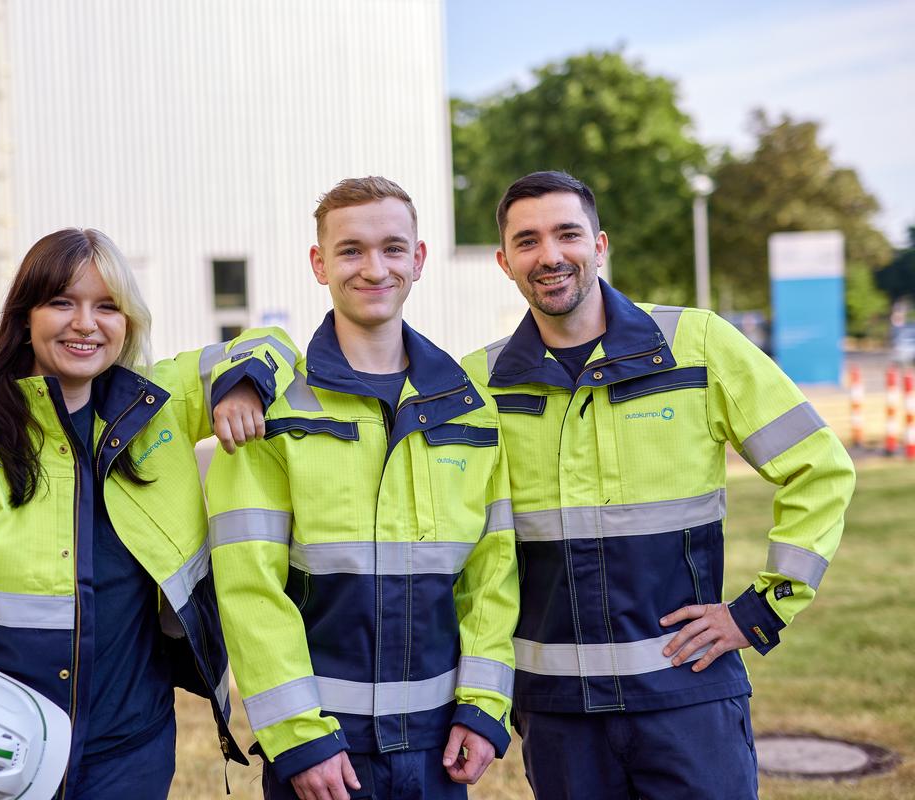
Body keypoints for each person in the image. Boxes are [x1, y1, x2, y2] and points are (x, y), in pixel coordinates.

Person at [0, 228, 298, 800]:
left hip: (130, 750)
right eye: (62, 302)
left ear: (128, 321)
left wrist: (244, 385)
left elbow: (272, 343)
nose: (86, 323)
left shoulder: (159, 406)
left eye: (107, 306)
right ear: (24, 315)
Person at [461, 171, 856, 799]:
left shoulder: (695, 345)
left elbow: (820, 467)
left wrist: (759, 609)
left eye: (568, 234)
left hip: (688, 697)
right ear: (504, 261)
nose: (551, 255)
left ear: (600, 244)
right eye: (528, 240)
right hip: (558, 713)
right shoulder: (476, 383)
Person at [207, 177, 519, 800]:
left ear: (419, 260)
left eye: (392, 248)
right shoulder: (273, 413)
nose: (374, 268)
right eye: (351, 250)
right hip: (324, 750)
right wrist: (299, 738)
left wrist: (484, 708)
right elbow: (249, 588)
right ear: (319, 264)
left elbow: (493, 574)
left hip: (439, 746)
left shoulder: (468, 410)